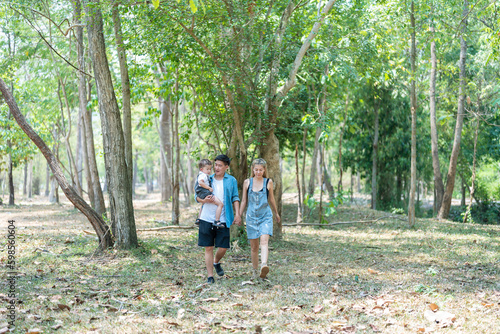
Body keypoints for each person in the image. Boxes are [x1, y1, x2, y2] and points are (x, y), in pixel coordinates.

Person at [196, 154, 241, 284]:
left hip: (223, 218)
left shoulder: (231, 180)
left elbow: (235, 197)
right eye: (215, 165)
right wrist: (203, 200)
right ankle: (210, 276)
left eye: (220, 165)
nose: (216, 168)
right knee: (208, 247)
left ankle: (216, 262)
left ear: (226, 167)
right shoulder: (206, 178)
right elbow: (196, 195)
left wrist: (237, 214)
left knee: (223, 247)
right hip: (206, 217)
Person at [239, 158, 280, 279]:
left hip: (265, 216)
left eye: (260, 170)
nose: (258, 172)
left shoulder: (268, 182)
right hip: (251, 217)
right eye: (256, 169)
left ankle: (264, 265)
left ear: (264, 170)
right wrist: (238, 215)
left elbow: (271, 199)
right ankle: (255, 271)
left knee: (264, 241)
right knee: (254, 247)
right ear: (253, 169)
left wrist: (276, 213)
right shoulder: (247, 182)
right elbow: (244, 201)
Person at [194, 159, 223, 227]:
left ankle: (199, 219)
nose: (209, 171)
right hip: (205, 192)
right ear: (201, 169)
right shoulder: (203, 175)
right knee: (220, 204)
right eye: (207, 169)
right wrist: (209, 188)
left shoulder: (201, 174)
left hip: (201, 193)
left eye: (210, 169)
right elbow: (200, 182)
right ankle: (217, 220)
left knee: (203, 204)